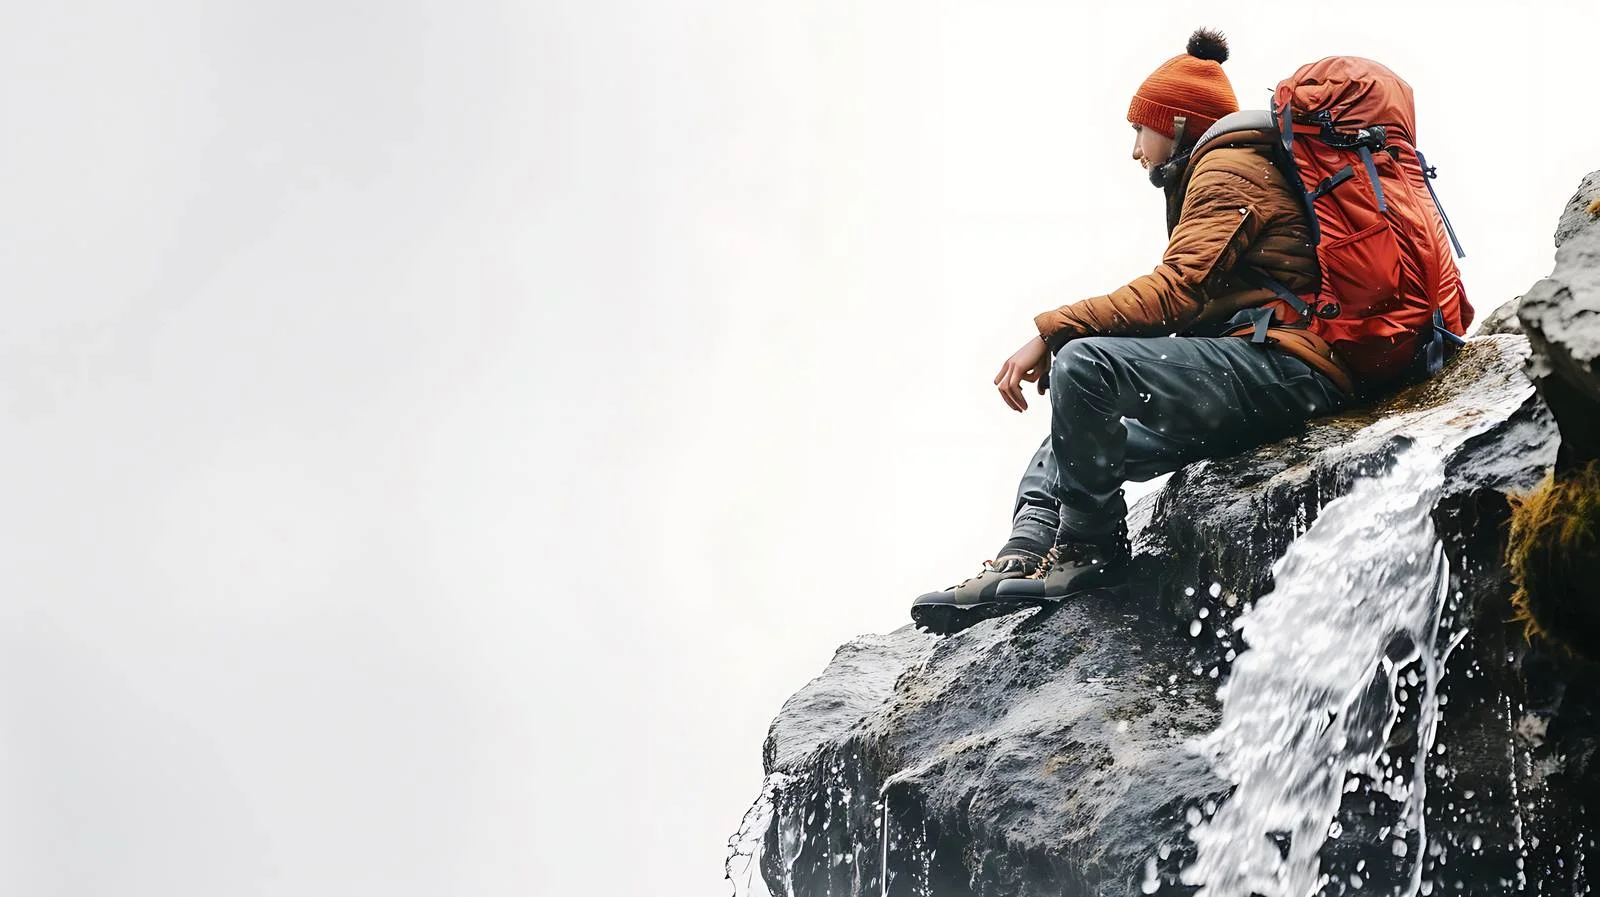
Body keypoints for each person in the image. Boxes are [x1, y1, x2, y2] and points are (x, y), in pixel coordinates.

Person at [910, 28, 1364, 634]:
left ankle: (1089, 550)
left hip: (1291, 370)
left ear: (1176, 123)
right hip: (1256, 369)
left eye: (1138, 130)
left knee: (1086, 366)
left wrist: (1052, 333)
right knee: (1076, 428)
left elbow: (1174, 292)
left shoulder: (1229, 171)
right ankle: (1023, 553)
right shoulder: (1222, 169)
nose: (1134, 151)